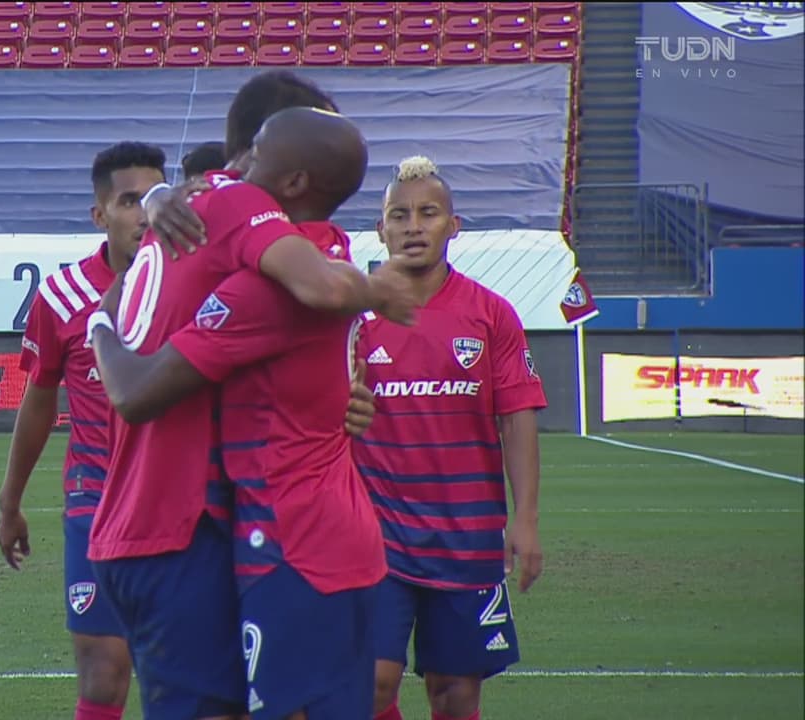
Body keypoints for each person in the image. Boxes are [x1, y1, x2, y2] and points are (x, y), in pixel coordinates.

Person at [83, 107, 415, 720]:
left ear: (291, 181)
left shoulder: (269, 275)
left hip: (287, 542)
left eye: (254, 153)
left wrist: (100, 321)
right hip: (247, 531)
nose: (233, 168)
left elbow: (135, 392)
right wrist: (157, 197)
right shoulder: (295, 249)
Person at [354, 157, 547, 720]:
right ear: (381, 230)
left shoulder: (491, 315)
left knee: (455, 693)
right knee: (370, 683)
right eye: (400, 215)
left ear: (453, 226)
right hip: (375, 533)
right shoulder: (355, 318)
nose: (414, 226)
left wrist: (525, 520)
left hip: (468, 536)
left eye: (428, 213)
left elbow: (517, 417)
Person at [0, 142, 167, 720]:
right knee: (103, 673)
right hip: (96, 501)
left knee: (185, 675)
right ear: (100, 215)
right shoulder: (63, 295)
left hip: (180, 504)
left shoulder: (197, 287)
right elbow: (39, 403)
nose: (144, 213)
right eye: (129, 201)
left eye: (154, 198)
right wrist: (10, 502)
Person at [142, 70, 341, 259]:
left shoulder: (184, 205)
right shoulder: (243, 213)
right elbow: (325, 281)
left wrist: (155, 195)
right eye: (321, 149)